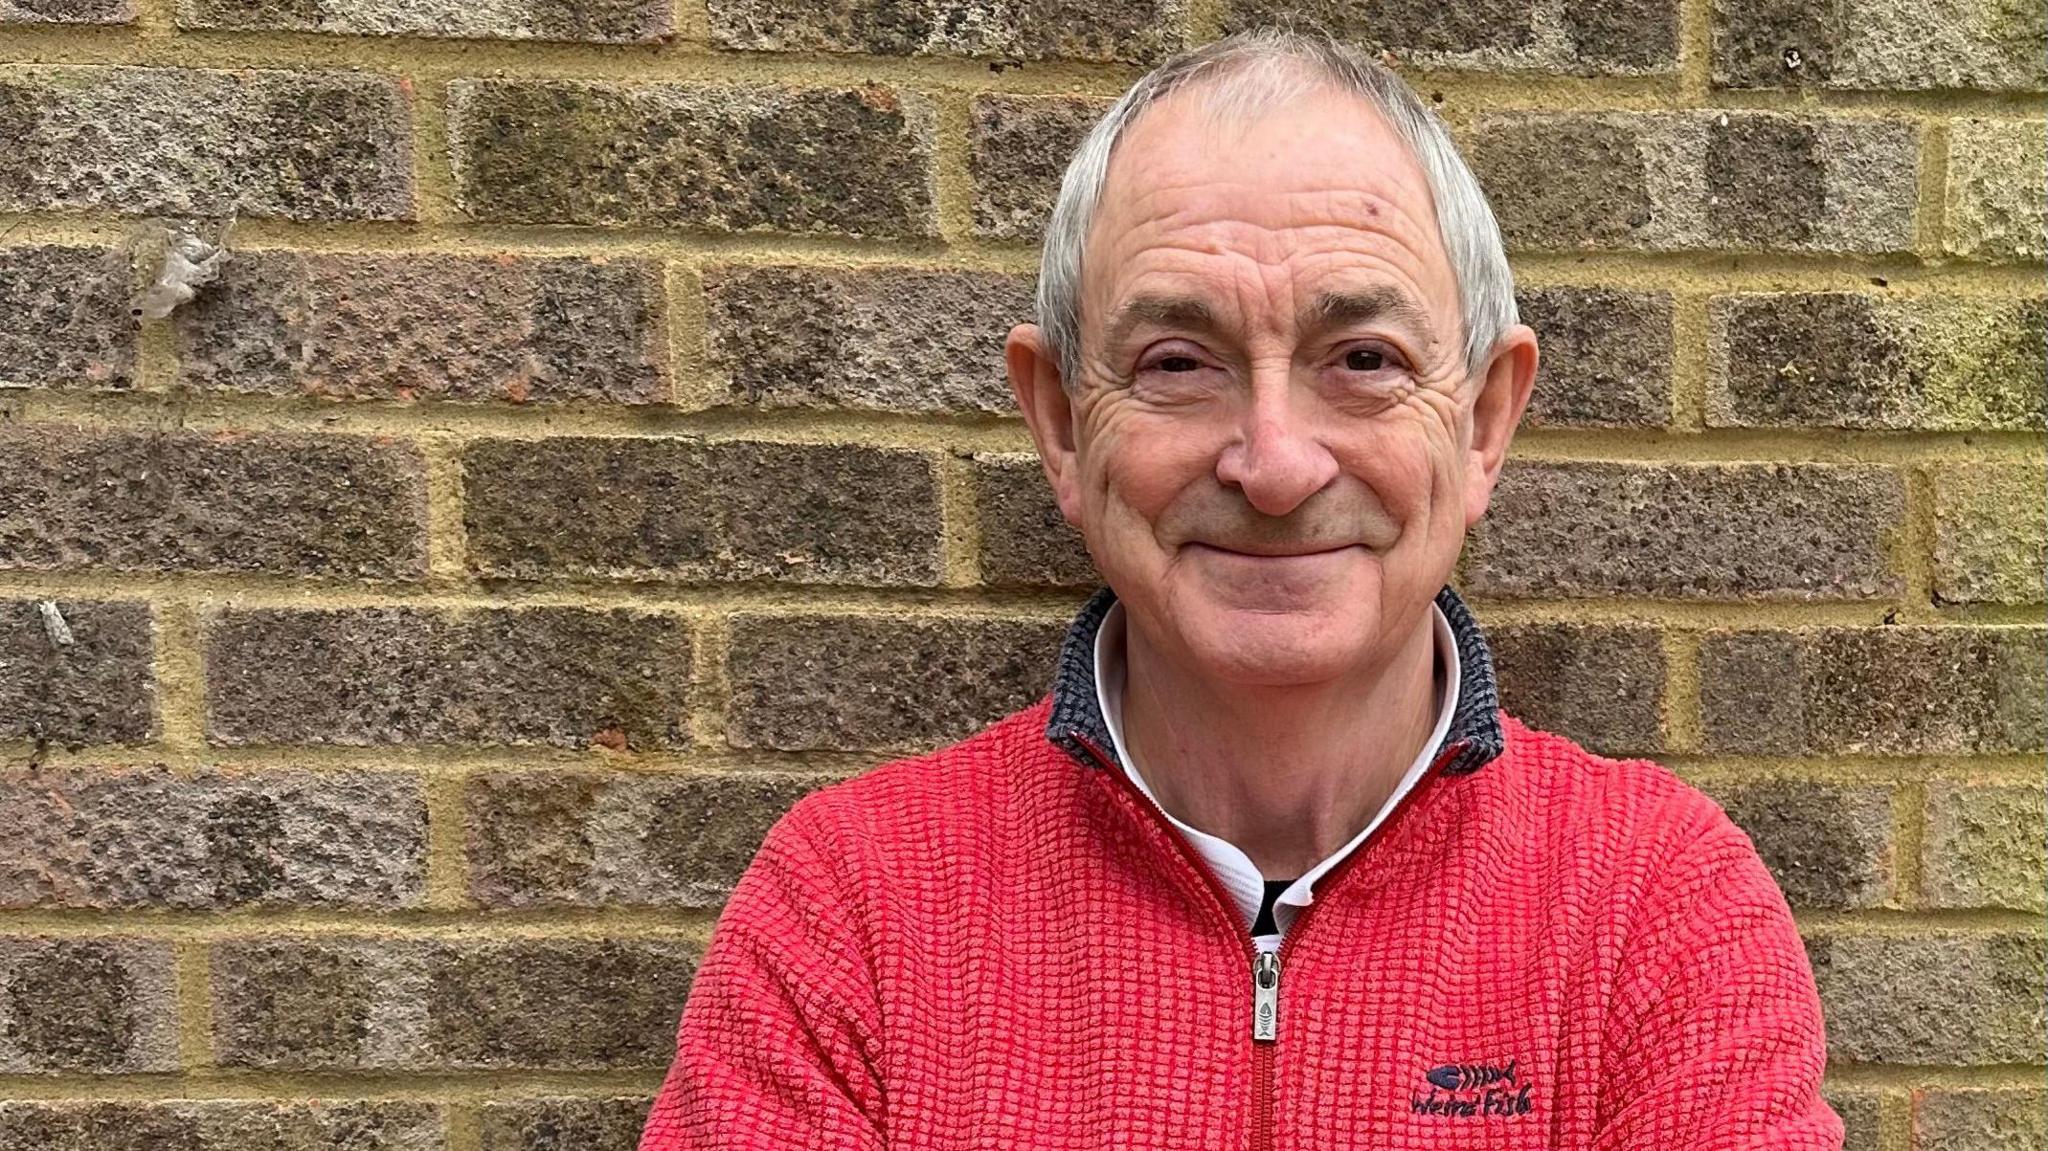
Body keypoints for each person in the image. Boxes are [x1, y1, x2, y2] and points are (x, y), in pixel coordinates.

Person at [640, 27, 1841, 1150]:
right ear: (1059, 423)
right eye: (1178, 362)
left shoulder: (1655, 908)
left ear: (1482, 421)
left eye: (1361, 360)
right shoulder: (851, 908)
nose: (1273, 464)